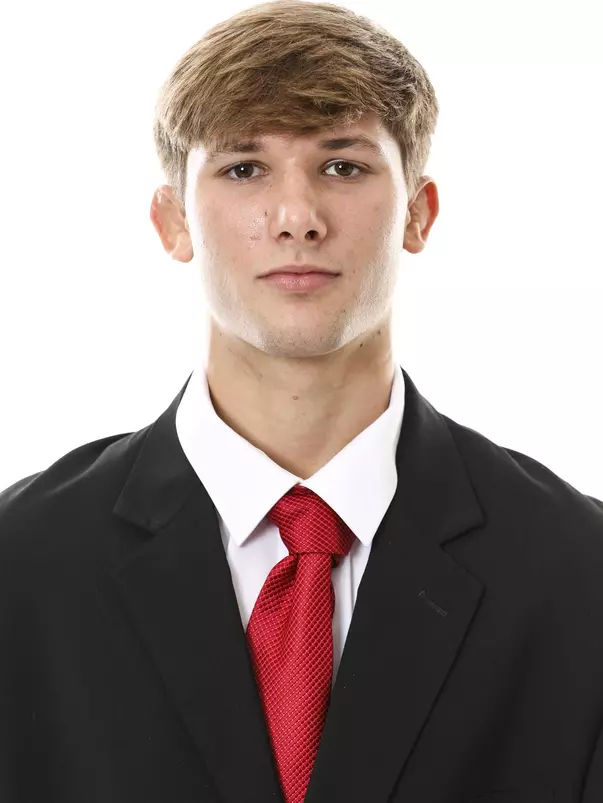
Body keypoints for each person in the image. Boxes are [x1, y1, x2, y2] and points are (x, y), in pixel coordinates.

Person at [1, 1, 602, 801]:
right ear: (173, 221)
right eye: (244, 168)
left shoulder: (577, 573)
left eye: (342, 165)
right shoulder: (21, 565)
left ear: (418, 214)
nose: (297, 219)